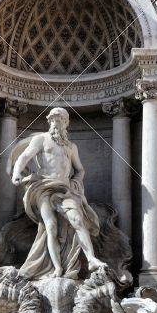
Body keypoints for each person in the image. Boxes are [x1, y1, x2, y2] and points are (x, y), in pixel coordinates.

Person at [9, 107, 106, 280]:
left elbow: (80, 170)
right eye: (53, 120)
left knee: (77, 219)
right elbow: (24, 157)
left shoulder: (71, 147)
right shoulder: (41, 139)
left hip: (65, 189)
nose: (56, 123)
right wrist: (17, 172)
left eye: (60, 120)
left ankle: (91, 259)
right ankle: (57, 268)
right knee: (51, 226)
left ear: (66, 123)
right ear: (49, 122)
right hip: (43, 187)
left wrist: (76, 182)